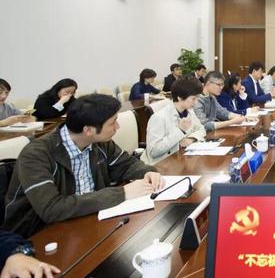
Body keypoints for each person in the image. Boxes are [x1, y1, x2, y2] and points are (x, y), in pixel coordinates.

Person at [2, 94, 163, 237]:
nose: (117, 127)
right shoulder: (37, 154)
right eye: (113, 123)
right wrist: (122, 193)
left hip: (90, 219)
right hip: (40, 234)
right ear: (88, 130)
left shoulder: (100, 142)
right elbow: (52, 209)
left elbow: (126, 165)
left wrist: (147, 172)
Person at [145, 79, 206, 164]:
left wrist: (191, 139)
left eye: (197, 98)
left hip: (181, 159)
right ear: (179, 97)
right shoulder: (159, 117)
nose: (196, 102)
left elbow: (201, 129)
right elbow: (153, 151)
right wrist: (180, 131)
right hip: (163, 164)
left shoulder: (189, 111)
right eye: (193, 99)